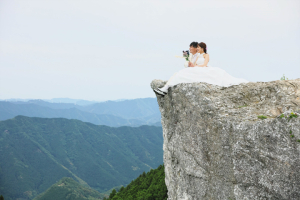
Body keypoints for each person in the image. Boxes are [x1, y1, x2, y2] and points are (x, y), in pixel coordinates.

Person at [153, 42, 249, 96]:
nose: (197, 49)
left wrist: (195, 67)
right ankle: (166, 88)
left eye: (198, 47)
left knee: (182, 74)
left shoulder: (206, 55)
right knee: (180, 73)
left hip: (203, 68)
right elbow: (194, 64)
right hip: (197, 68)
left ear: (202, 48)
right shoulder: (198, 56)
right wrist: (191, 64)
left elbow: (205, 64)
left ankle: (165, 88)